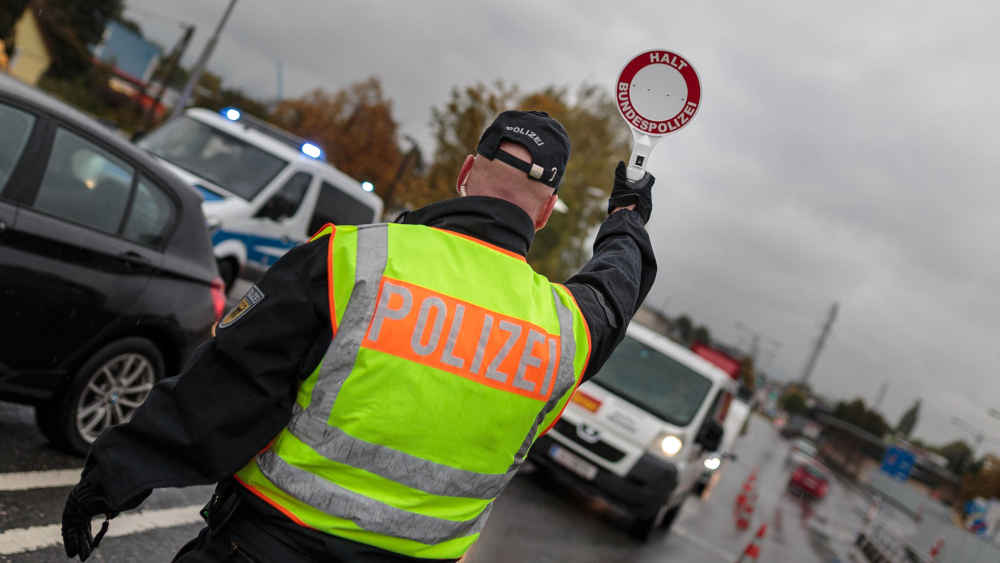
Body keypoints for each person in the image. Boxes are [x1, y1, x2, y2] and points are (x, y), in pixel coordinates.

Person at [62, 110, 657, 562]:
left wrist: (116, 474)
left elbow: (227, 389)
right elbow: (615, 290)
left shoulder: (353, 259)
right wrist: (626, 217)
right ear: (548, 212)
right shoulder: (563, 330)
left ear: (465, 173)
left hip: (266, 546)